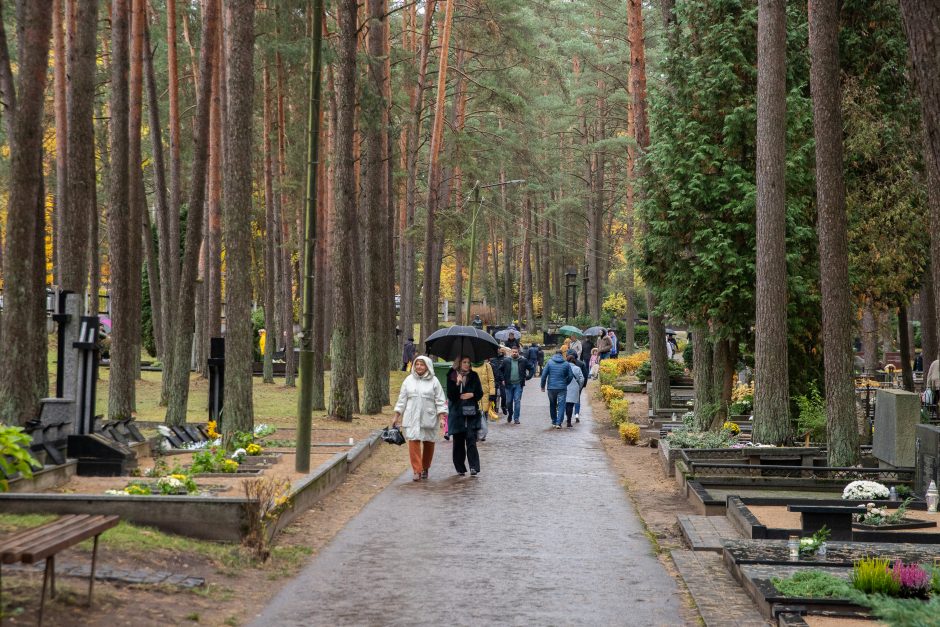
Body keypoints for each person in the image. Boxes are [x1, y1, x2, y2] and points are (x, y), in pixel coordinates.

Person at [392, 356, 448, 481]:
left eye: (422, 365)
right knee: (413, 442)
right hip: (411, 417)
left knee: (429, 443)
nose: (419, 367)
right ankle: (416, 470)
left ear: (427, 366)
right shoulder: (408, 380)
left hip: (429, 417)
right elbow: (402, 399)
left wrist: (442, 417)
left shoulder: (434, 381)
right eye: (417, 364)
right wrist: (396, 415)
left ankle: (425, 467)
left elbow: (440, 400)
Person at [446, 356, 484, 476]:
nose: (467, 364)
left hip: (470, 412)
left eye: (468, 362)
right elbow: (451, 395)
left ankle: (474, 466)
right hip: (457, 413)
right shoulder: (452, 374)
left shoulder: (474, 375)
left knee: (471, 439)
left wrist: (471, 394)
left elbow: (480, 393)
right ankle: (460, 468)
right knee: (458, 442)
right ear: (459, 363)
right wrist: (457, 383)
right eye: (464, 362)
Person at [501, 346, 535, 424]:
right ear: (511, 352)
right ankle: (510, 414)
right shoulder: (506, 361)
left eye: (516, 352)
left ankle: (516, 418)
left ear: (518, 352)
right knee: (509, 402)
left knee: (517, 401)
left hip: (518, 384)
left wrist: (528, 376)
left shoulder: (523, 360)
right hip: (508, 384)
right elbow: (500, 370)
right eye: (513, 352)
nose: (514, 353)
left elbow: (531, 368)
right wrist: (502, 379)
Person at [540, 349, 573, 429]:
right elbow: (571, 376)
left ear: (555, 354)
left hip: (551, 388)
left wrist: (542, 386)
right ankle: (559, 423)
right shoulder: (566, 363)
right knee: (561, 405)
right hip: (562, 388)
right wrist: (566, 383)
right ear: (562, 354)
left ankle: (554, 421)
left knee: (552, 404)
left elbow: (544, 375)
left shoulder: (549, 362)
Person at [472, 359, 496, 442]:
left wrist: (492, 393)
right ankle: (475, 433)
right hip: (473, 394)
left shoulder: (487, 366)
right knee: (474, 413)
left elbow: (491, 379)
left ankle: (483, 432)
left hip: (485, 394)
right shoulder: (469, 365)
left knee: (484, 413)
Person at [564, 350, 586, 428]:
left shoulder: (564, 367)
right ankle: (569, 421)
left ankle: (568, 419)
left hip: (565, 387)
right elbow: (582, 379)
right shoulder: (577, 368)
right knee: (571, 404)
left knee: (566, 404)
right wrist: (579, 387)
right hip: (574, 388)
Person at [490, 348, 507, 416]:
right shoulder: (492, 360)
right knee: (493, 396)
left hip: (502, 380)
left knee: (504, 395)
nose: (499, 351)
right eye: (498, 349)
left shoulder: (505, 359)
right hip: (494, 379)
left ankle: (503, 406)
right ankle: (493, 409)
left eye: (500, 350)